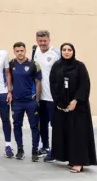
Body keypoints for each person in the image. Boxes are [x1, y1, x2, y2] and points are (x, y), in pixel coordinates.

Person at [49, 43, 97, 173]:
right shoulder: (57, 66)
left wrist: (76, 100)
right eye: (64, 50)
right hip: (62, 107)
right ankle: (70, 159)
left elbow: (84, 84)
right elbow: (52, 84)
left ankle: (79, 162)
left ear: (73, 52)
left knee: (78, 134)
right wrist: (58, 102)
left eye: (69, 50)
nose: (66, 52)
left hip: (78, 107)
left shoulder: (80, 66)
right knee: (65, 133)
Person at [9, 41, 41, 161]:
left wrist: (37, 99)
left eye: (22, 50)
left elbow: (38, 82)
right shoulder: (11, 64)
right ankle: (20, 150)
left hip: (30, 101)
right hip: (17, 102)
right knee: (17, 126)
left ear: (25, 50)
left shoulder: (33, 64)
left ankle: (35, 151)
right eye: (17, 51)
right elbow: (9, 80)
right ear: (14, 52)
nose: (20, 53)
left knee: (34, 127)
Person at [32, 29, 61, 161]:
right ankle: (45, 146)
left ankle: (56, 150)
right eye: (40, 41)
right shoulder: (35, 51)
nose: (42, 43)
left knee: (55, 125)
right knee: (42, 124)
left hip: (52, 97)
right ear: (37, 40)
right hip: (40, 97)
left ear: (49, 40)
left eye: (44, 41)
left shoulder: (56, 54)